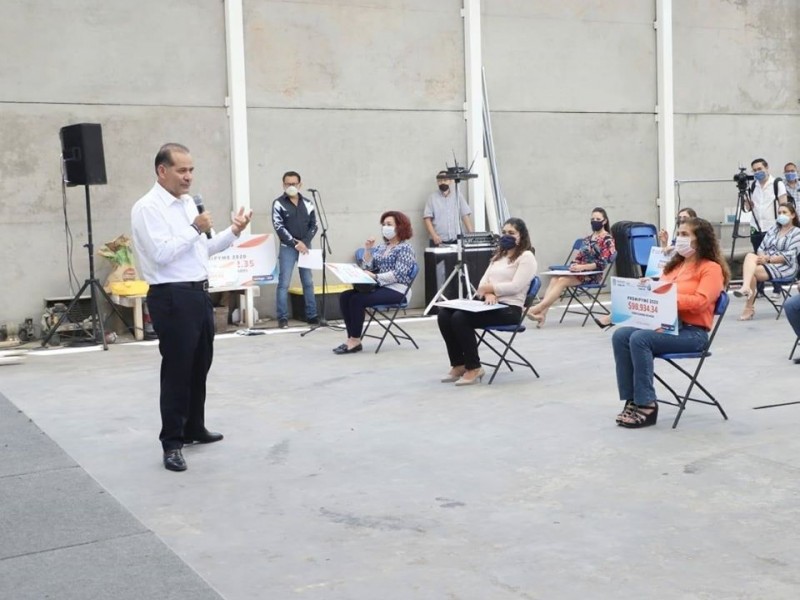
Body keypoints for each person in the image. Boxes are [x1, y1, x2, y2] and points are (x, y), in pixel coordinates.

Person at [131, 143, 252, 471]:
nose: (188, 177)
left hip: (199, 293)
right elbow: (161, 254)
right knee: (177, 370)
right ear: (162, 171)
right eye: (181, 170)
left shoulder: (187, 204)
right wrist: (195, 227)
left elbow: (202, 249)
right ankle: (172, 442)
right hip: (171, 296)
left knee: (200, 365)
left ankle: (194, 427)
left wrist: (234, 231)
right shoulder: (147, 208)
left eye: (191, 170)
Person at [612, 217, 729, 428]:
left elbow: (701, 302)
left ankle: (647, 404)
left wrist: (666, 297)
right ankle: (632, 399)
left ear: (700, 239)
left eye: (685, 234)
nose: (679, 238)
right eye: (679, 233)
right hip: (669, 325)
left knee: (640, 339)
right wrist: (649, 286)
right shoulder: (675, 266)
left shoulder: (710, 268)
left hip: (693, 333)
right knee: (620, 335)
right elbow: (661, 290)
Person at [437, 218, 537, 386]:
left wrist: (490, 289)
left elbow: (516, 287)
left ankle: (474, 367)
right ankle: (459, 364)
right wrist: (488, 293)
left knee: (460, 318)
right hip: (490, 304)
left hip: (510, 309)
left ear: (521, 236)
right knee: (444, 315)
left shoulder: (526, 257)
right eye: (504, 232)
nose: (506, 236)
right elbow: (482, 284)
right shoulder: (499, 256)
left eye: (511, 233)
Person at [333, 211, 417, 354]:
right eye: (383, 224)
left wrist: (375, 276)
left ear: (400, 226)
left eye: (389, 224)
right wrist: (367, 251)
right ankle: (351, 338)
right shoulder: (381, 247)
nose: (385, 227)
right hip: (379, 287)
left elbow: (399, 274)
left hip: (398, 290)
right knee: (345, 296)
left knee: (357, 299)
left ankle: (355, 340)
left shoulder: (405, 248)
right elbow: (368, 267)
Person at [527, 207, 615, 328]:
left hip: (592, 274)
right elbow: (579, 257)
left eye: (598, 219)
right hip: (579, 272)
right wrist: (574, 265)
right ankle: (542, 314)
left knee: (562, 281)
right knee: (554, 279)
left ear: (604, 221)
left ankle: (537, 308)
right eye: (592, 219)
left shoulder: (607, 239)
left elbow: (603, 263)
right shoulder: (587, 239)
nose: (595, 221)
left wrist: (583, 267)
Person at [733, 202, 800, 320]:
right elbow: (761, 247)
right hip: (765, 262)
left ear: (793, 215)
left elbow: (790, 255)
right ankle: (746, 288)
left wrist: (768, 259)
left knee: (752, 272)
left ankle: (748, 305)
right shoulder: (774, 229)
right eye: (779, 213)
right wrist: (762, 258)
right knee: (750, 256)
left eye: (784, 212)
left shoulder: (797, 232)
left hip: (784, 266)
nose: (781, 215)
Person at [272, 171, 318, 328]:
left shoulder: (308, 203)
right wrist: (295, 243)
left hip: (306, 247)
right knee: (284, 283)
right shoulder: (278, 203)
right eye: (288, 183)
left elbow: (314, 225)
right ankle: (282, 318)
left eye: (294, 183)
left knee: (308, 282)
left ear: (300, 184)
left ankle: (312, 315)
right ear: (283, 185)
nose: (291, 186)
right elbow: (278, 226)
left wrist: (304, 242)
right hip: (288, 247)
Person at [743, 158, 787, 252]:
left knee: (773, 256)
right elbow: (749, 208)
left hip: (773, 228)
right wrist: (746, 202)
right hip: (756, 228)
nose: (757, 172)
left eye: (759, 169)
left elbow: (785, 208)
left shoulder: (777, 184)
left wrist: (783, 228)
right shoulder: (753, 186)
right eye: (754, 170)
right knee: (758, 255)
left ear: (767, 168)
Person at [423, 170, 474, 246]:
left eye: (445, 180)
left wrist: (472, 235)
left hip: (457, 240)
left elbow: (465, 215)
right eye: (439, 181)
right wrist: (434, 235)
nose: (442, 182)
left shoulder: (458, 195)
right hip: (438, 241)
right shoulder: (432, 198)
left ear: (451, 181)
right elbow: (427, 219)